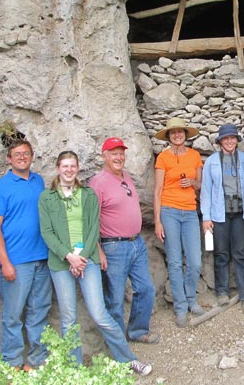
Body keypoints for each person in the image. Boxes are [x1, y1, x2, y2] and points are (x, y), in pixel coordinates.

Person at [39, 150, 152, 376]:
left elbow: (93, 229)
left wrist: (81, 256)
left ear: (78, 169)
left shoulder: (88, 195)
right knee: (68, 319)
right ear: (58, 168)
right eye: (65, 166)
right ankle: (75, 369)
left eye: (73, 166)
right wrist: (68, 256)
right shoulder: (47, 198)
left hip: (87, 259)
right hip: (61, 263)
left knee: (100, 313)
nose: (69, 170)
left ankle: (127, 359)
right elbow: (47, 232)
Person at [0, 139, 52, 371]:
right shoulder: (0, 188)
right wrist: (4, 263)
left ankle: (36, 361)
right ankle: (12, 363)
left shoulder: (39, 181)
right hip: (16, 261)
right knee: (13, 315)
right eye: (17, 154)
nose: (22, 157)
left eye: (26, 153)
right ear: (9, 158)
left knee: (39, 311)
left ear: (32, 156)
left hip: (42, 259)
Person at [88, 137, 159, 345]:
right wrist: (98, 250)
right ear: (105, 156)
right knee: (115, 298)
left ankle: (137, 331)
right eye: (114, 153)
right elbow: (91, 221)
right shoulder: (97, 183)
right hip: (113, 246)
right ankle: (117, 343)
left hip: (136, 243)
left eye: (121, 153)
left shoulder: (126, 176)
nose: (119, 157)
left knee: (146, 289)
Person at [153, 117, 204, 328]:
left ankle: (191, 298)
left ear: (185, 134)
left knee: (194, 261)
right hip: (169, 210)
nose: (177, 135)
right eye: (172, 133)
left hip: (190, 211)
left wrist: (192, 182)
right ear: (168, 136)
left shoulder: (194, 156)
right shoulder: (163, 158)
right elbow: (157, 190)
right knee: (174, 261)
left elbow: (200, 185)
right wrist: (157, 220)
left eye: (180, 132)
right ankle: (181, 306)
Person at [201, 124, 244, 315]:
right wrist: (206, 217)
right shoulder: (212, 162)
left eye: (232, 138)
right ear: (220, 141)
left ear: (236, 140)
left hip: (242, 213)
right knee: (221, 254)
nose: (229, 141)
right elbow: (206, 191)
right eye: (226, 138)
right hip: (219, 213)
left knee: (240, 254)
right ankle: (222, 291)